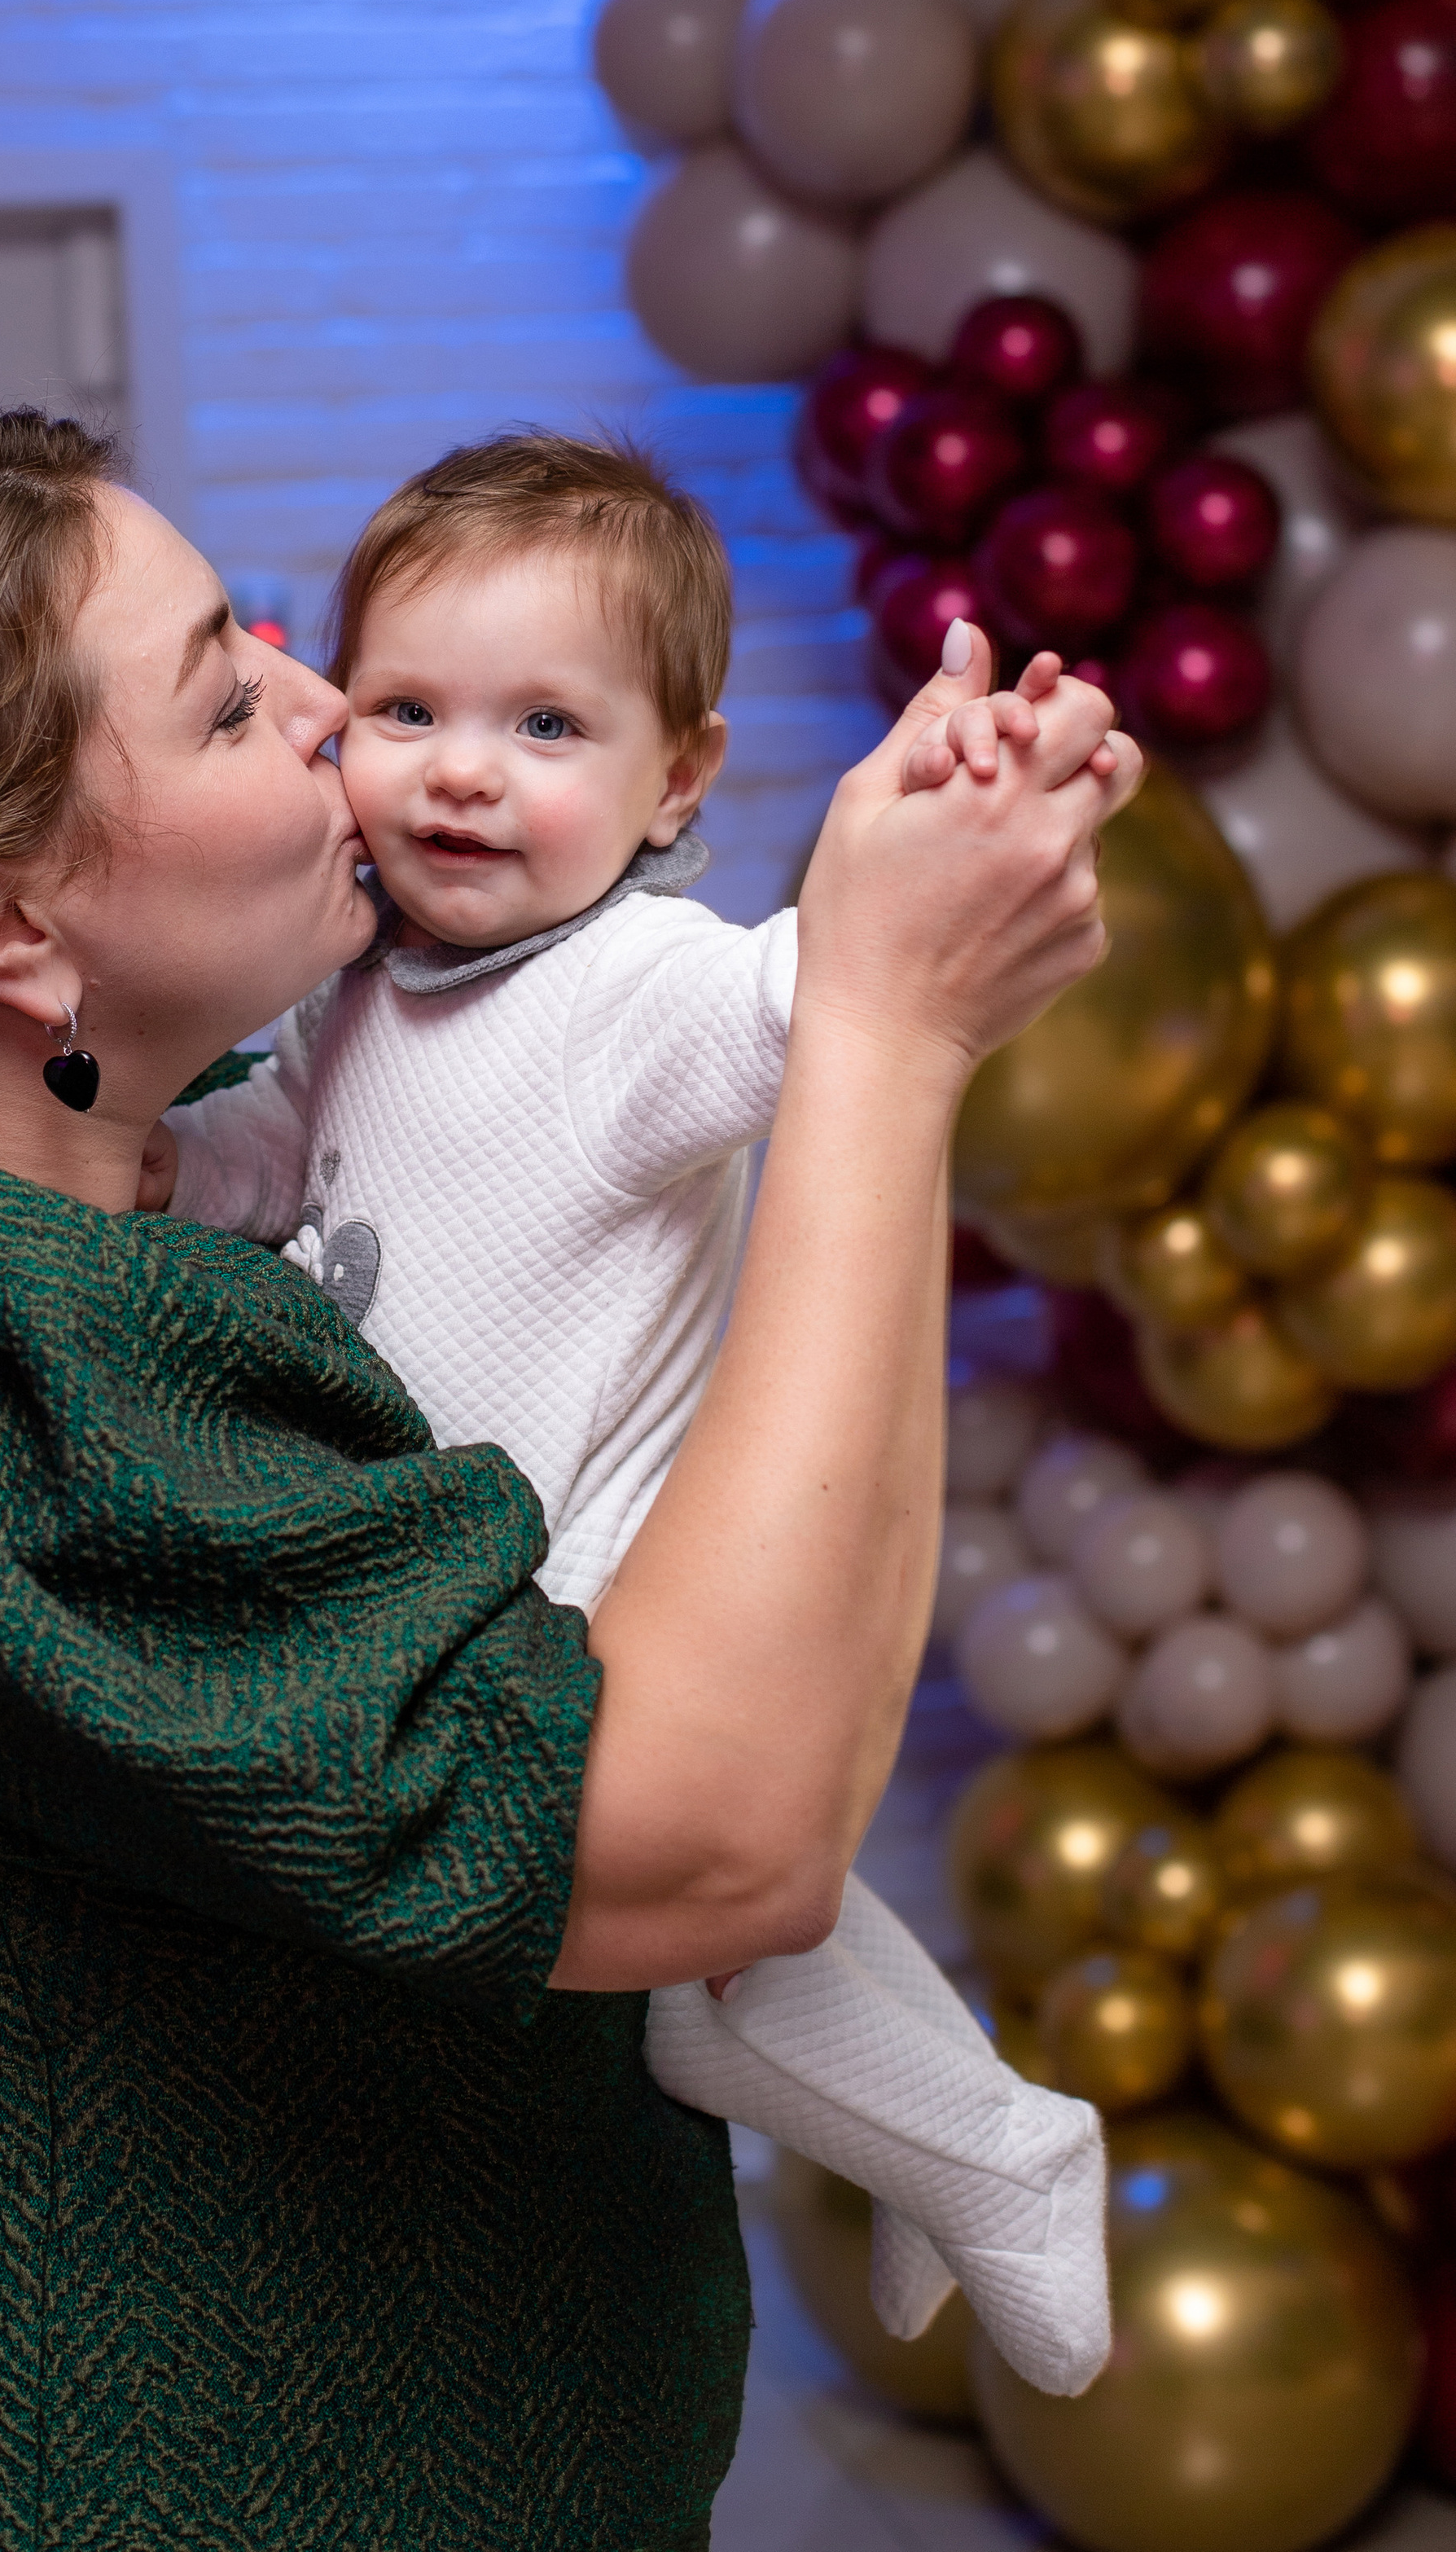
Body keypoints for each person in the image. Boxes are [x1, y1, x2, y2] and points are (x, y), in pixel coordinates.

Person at [0, 405, 1136, 2548]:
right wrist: (889, 1037)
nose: (339, 725)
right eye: (234, 696)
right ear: (1, 930)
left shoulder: (95, 1188)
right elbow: (707, 1845)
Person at [143, 433, 1113, 2394]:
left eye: (545, 724)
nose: (462, 768)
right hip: (443, 1577)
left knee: (692, 1967)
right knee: (694, 1979)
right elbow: (244, 1158)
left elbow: (821, 995)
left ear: (677, 781)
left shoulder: (640, 990)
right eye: (405, 709)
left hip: (593, 1555)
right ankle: (948, 2147)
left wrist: (929, 818)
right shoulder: (351, 996)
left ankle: (1008, 2152)